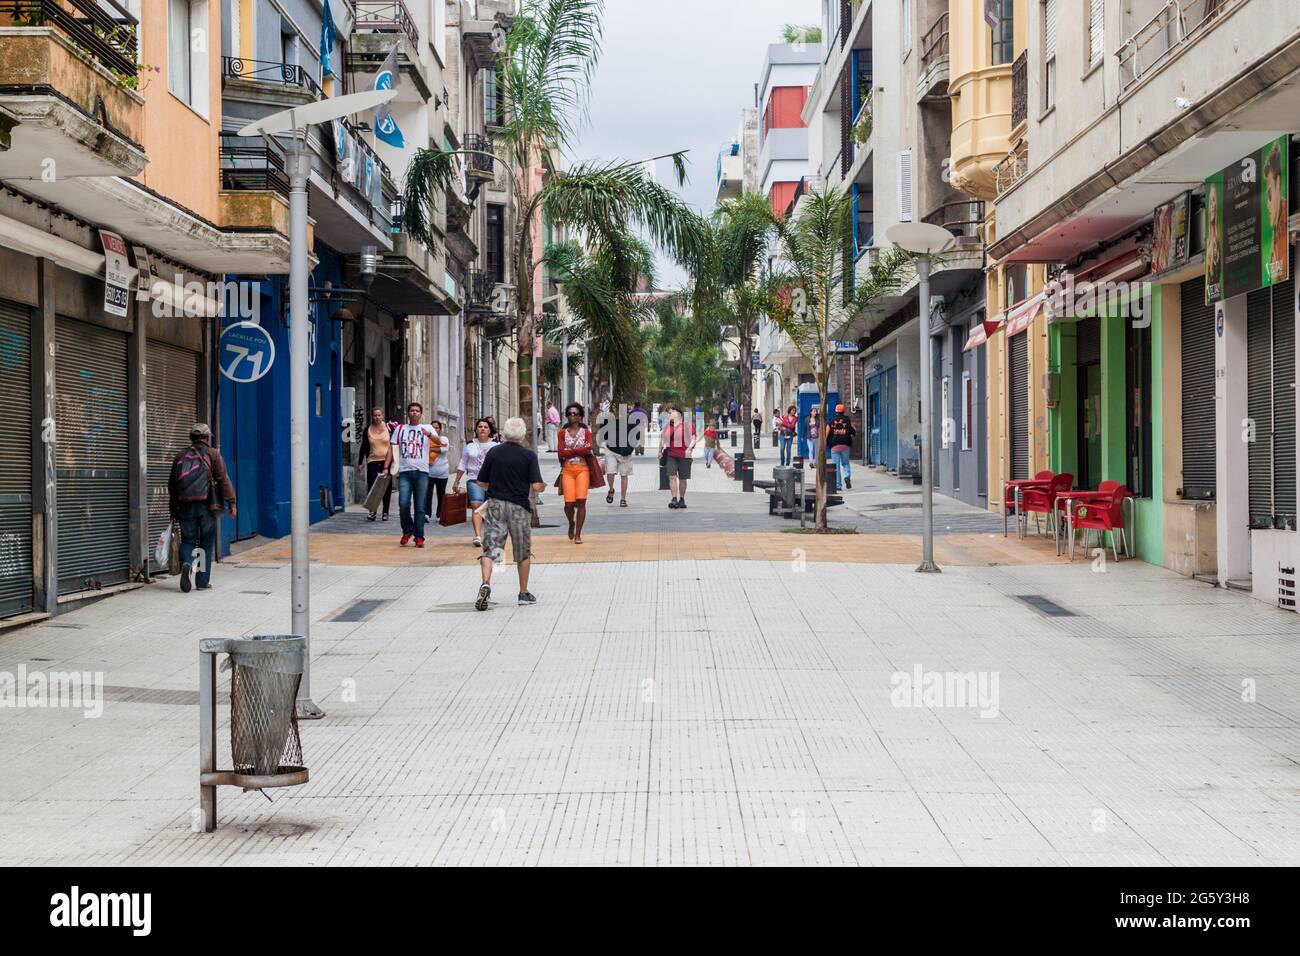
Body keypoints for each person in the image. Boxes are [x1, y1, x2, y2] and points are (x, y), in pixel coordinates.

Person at [474, 416, 546, 610]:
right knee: (522, 550)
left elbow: (480, 481)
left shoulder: (494, 453)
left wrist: (495, 486)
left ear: (504, 433)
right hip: (519, 507)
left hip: (496, 504)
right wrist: (543, 486)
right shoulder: (528, 456)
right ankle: (523, 593)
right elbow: (537, 486)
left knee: (491, 548)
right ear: (522, 435)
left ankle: (486, 583)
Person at [168, 423, 237, 593]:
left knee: (188, 540)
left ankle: (186, 563)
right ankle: (202, 582)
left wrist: (173, 511)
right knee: (206, 542)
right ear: (207, 438)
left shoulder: (180, 455)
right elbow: (223, 480)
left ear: (191, 437)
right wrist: (232, 502)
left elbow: (172, 486)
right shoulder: (213, 454)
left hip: (184, 506)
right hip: (207, 506)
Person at [392, 403, 437, 547]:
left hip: (422, 472)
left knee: (420, 506)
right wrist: (389, 466)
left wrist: (429, 434)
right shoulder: (400, 429)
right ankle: (407, 529)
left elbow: (440, 442)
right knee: (403, 503)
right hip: (405, 472)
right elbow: (392, 448)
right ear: (408, 413)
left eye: (417, 411)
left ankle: (419, 536)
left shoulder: (428, 428)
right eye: (412, 410)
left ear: (421, 413)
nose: (415, 413)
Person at [452, 418, 494, 547]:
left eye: (486, 427)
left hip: (492, 482)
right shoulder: (469, 445)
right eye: (480, 426)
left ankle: (491, 535)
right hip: (474, 479)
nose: (482, 429)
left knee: (491, 509)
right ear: (476, 430)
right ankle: (477, 536)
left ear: (490, 431)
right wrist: (456, 481)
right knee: (476, 505)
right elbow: (463, 463)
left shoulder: (496, 446)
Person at [558, 402, 593, 543]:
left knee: (581, 502)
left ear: (580, 417)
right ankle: (571, 523)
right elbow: (560, 452)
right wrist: (579, 450)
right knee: (568, 504)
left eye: (575, 414)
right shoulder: (562, 433)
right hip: (568, 470)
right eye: (569, 413)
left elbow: (588, 448)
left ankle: (578, 534)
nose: (572, 416)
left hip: (582, 469)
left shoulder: (586, 432)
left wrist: (570, 451)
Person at [359, 407, 394, 521]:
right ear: (372, 416)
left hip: (386, 460)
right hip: (372, 461)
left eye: (379, 415)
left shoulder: (389, 428)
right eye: (375, 415)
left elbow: (394, 445)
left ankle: (385, 512)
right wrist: (360, 462)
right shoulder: (367, 429)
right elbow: (363, 447)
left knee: (386, 487)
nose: (377, 417)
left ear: (382, 416)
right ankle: (372, 511)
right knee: (372, 487)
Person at [662, 405, 697, 509]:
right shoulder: (668, 426)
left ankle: (682, 499)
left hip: (684, 456)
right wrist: (659, 451)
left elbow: (693, 438)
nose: (669, 414)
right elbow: (663, 439)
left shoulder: (687, 425)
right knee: (672, 476)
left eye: (671, 412)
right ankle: (674, 498)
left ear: (678, 414)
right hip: (671, 455)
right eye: (669, 413)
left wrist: (689, 448)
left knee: (683, 479)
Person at [602, 403, 636, 506]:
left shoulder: (630, 421)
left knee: (624, 474)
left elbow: (636, 434)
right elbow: (604, 434)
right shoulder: (608, 420)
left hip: (624, 452)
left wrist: (630, 446)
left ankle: (623, 499)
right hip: (611, 450)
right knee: (610, 472)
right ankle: (611, 489)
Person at [423, 419, 451, 524]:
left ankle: (440, 514)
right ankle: (426, 514)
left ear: (440, 429)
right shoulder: (426, 439)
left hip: (442, 471)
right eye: (433, 427)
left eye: (437, 427)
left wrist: (431, 449)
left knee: (441, 494)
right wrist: (434, 448)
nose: (435, 429)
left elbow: (444, 449)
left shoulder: (443, 439)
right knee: (427, 493)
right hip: (429, 471)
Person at [827, 404, 857, 489]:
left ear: (836, 411)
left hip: (834, 445)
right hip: (845, 445)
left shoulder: (831, 420)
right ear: (843, 411)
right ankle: (847, 476)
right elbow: (854, 430)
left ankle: (838, 485)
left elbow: (827, 432)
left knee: (836, 466)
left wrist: (826, 442)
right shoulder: (847, 420)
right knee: (846, 463)